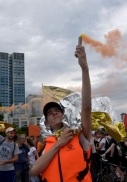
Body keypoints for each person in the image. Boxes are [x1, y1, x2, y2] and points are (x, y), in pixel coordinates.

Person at [31, 43, 92, 182]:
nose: (54, 113)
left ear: (63, 115)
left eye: (57, 110)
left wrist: (85, 69)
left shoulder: (79, 136)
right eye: (50, 113)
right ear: (47, 123)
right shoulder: (47, 144)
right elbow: (34, 171)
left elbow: (87, 108)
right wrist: (59, 143)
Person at [0, 111, 20, 182]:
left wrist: (6, 161)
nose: (12, 135)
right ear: (6, 133)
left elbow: (16, 158)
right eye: (10, 133)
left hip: (10, 170)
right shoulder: (1, 140)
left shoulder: (15, 145)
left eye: (13, 133)